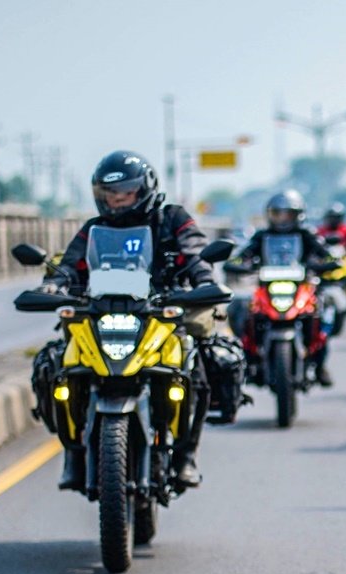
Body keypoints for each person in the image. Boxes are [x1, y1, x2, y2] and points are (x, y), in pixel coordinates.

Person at [38, 150, 220, 490]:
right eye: (110, 194)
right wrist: (54, 283)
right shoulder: (95, 228)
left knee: (193, 366)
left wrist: (204, 280)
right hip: (101, 313)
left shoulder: (172, 218)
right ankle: (73, 453)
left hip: (160, 313)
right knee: (60, 367)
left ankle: (185, 455)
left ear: (144, 188)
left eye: (126, 193)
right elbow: (70, 264)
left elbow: (195, 251)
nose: (118, 201)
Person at [231, 190, 340, 386]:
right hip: (267, 288)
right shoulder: (261, 236)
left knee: (325, 310)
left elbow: (326, 253)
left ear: (298, 215)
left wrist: (327, 262)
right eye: (277, 214)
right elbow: (243, 254)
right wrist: (239, 262)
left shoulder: (306, 235)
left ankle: (320, 363)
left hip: (300, 287)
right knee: (240, 310)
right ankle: (249, 359)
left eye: (287, 214)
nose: (282, 219)